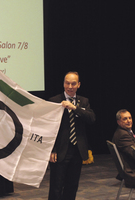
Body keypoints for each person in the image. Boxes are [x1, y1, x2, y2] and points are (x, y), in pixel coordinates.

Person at [48, 71, 96, 200]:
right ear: (63, 84)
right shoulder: (54, 101)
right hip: (60, 150)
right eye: (67, 83)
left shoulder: (83, 101)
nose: (70, 87)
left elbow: (91, 118)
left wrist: (75, 108)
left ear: (78, 85)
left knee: (72, 185)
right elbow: (49, 128)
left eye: (73, 84)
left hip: (77, 150)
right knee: (56, 186)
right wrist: (51, 149)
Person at [112, 109, 135, 188]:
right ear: (119, 122)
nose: (129, 121)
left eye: (130, 118)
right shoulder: (123, 135)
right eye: (125, 119)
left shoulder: (125, 132)